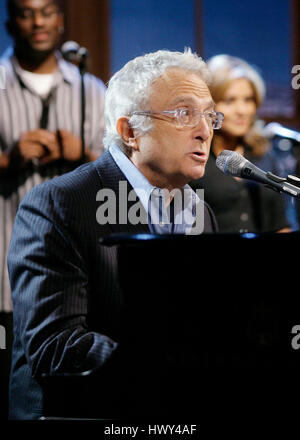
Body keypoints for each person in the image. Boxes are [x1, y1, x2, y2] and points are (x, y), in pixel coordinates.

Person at [7, 48, 220, 419]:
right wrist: (175, 369)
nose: (204, 131)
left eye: (209, 116)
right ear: (130, 131)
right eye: (185, 114)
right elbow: (55, 346)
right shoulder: (61, 202)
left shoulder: (200, 212)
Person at [0, 0, 106, 420]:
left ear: (60, 19)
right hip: (4, 266)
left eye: (46, 11)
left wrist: (86, 153)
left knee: (68, 394)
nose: (38, 21)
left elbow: (119, 165)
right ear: (10, 21)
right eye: (26, 13)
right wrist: (9, 159)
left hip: (76, 269)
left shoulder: (91, 88)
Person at [190, 54, 291, 233]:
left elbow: (280, 223)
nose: (242, 110)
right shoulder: (195, 158)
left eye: (248, 100)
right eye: (230, 100)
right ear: (209, 106)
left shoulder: (264, 155)